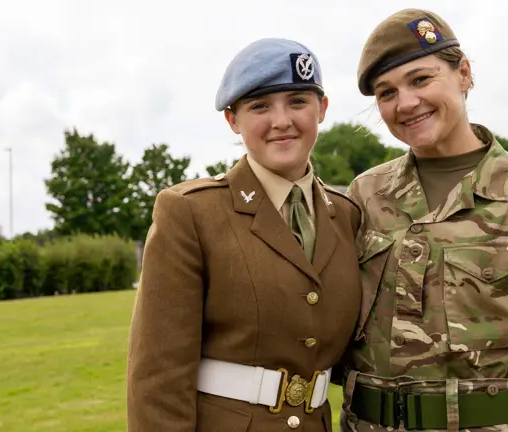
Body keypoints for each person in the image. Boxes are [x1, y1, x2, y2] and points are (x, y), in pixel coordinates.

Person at [339, 9, 508, 432]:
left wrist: (491, 410)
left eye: (420, 79)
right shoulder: (365, 196)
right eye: (386, 92)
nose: (406, 103)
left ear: (463, 73)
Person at [126, 38, 363, 432]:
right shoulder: (191, 213)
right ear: (233, 121)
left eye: (298, 101)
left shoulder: (347, 216)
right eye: (259, 106)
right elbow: (158, 375)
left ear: (322, 109)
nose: (282, 120)